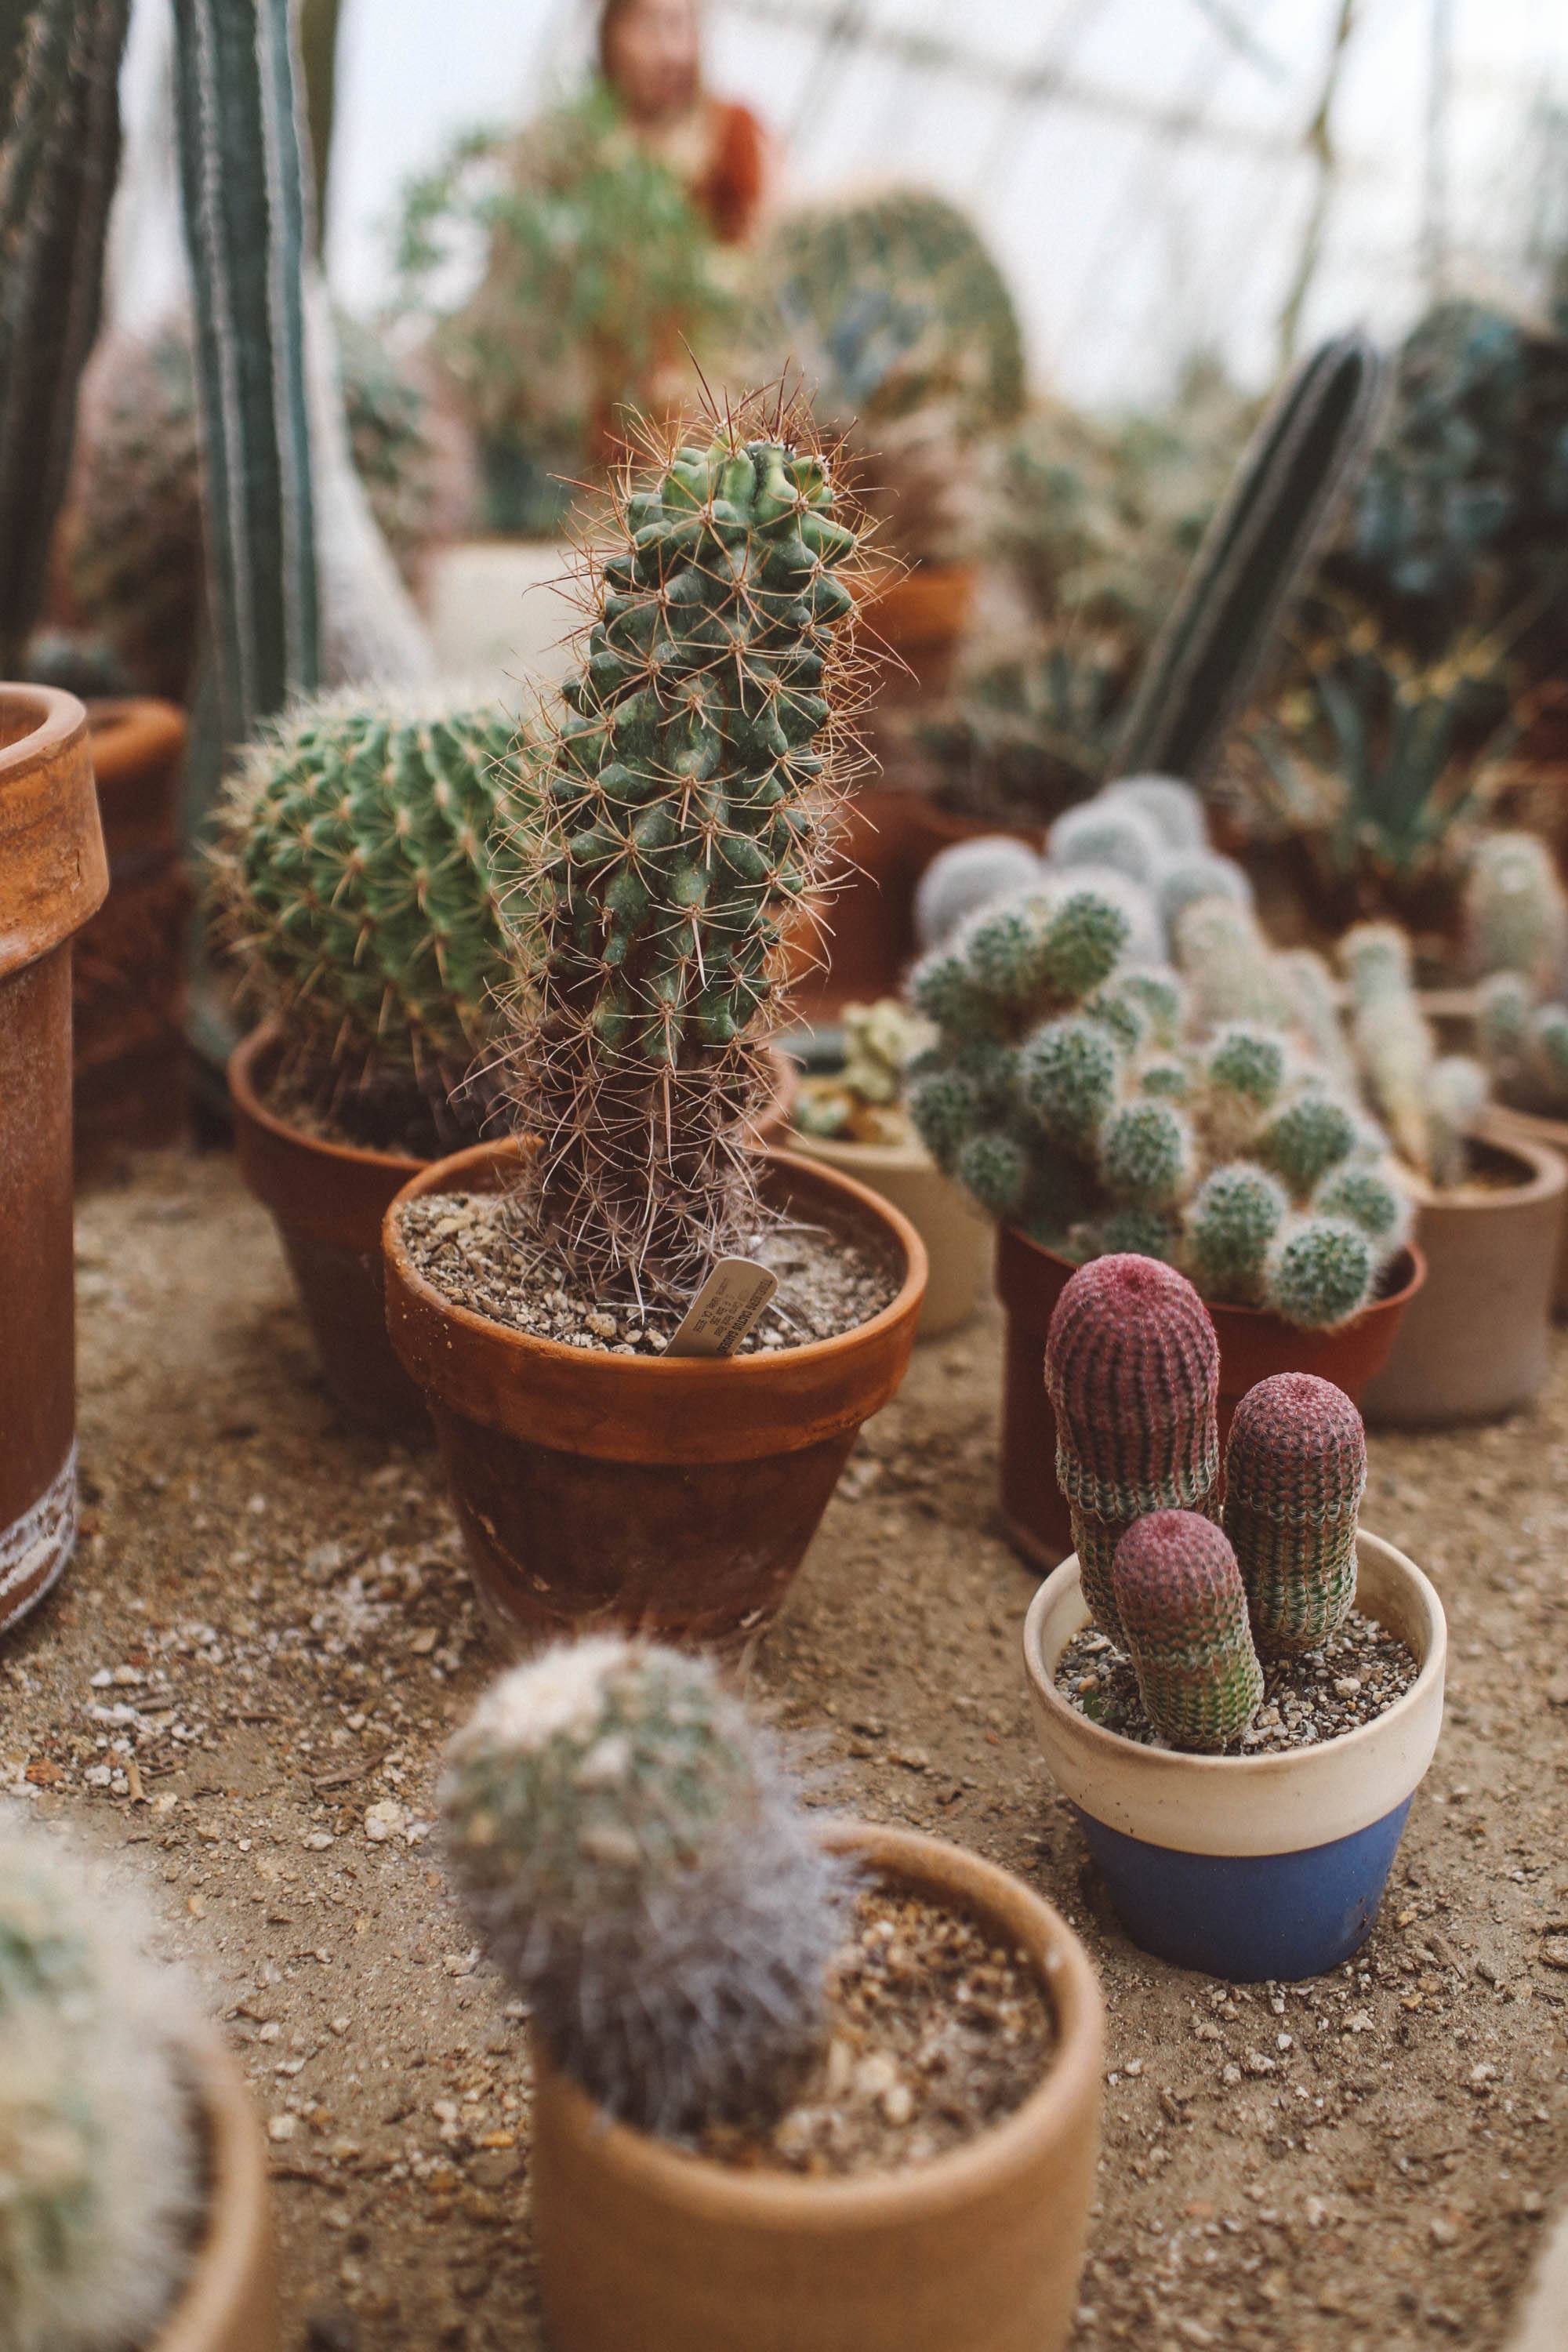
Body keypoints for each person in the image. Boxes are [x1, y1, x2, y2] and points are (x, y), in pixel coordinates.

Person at [597, 0, 773, 245]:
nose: (670, 52)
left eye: (679, 26)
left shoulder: (732, 132)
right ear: (612, 35)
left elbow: (762, 237)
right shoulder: (576, 143)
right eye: (649, 28)